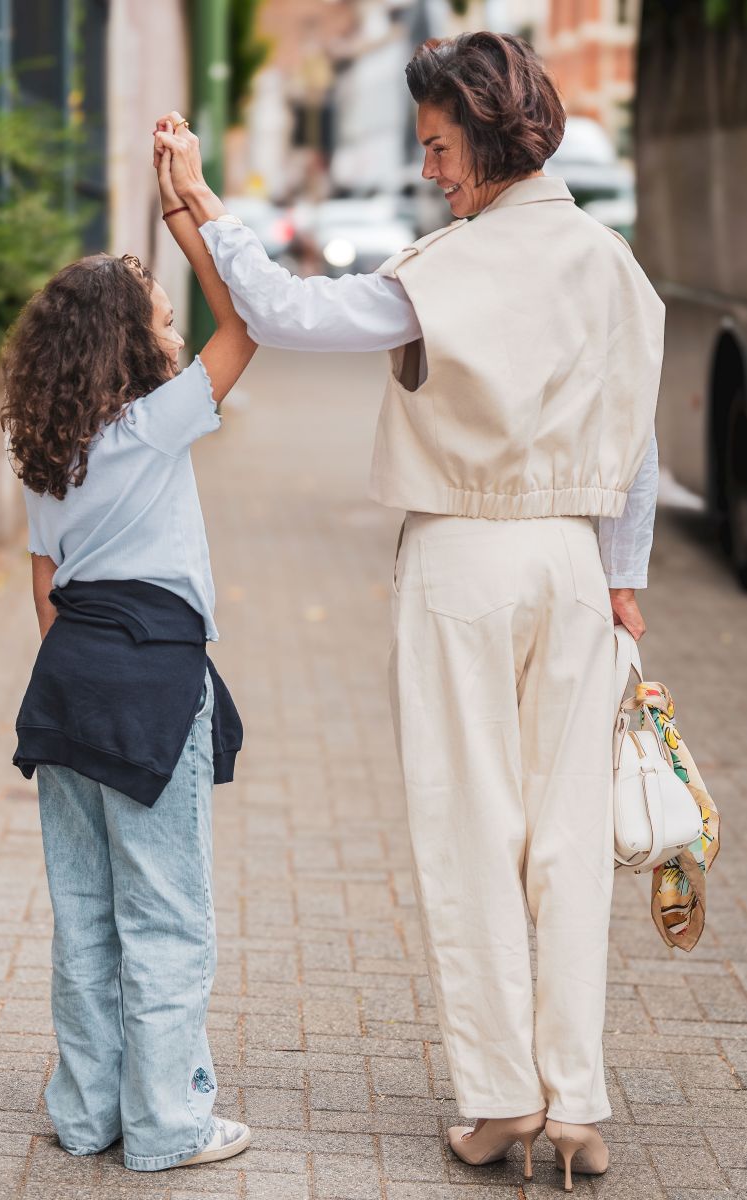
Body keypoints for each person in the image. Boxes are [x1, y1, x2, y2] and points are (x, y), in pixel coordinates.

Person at [153, 30, 664, 1191]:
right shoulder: (615, 267)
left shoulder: (453, 269)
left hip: (463, 563)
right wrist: (623, 585)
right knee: (571, 838)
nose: (431, 169)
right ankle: (577, 1109)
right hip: (577, 568)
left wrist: (205, 209)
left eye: (438, 146)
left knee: (471, 829)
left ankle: (498, 1103)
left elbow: (288, 316)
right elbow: (636, 454)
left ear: (485, 133)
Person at [1, 120, 256, 1172]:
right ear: (130, 342)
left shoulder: (47, 450)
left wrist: (83, 681)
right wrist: (189, 220)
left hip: (66, 693)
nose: (171, 323)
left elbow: (45, 595)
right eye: (158, 311)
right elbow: (247, 325)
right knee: (168, 912)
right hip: (152, 683)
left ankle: (86, 1111)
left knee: (86, 908)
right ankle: (166, 1123)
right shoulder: (156, 421)